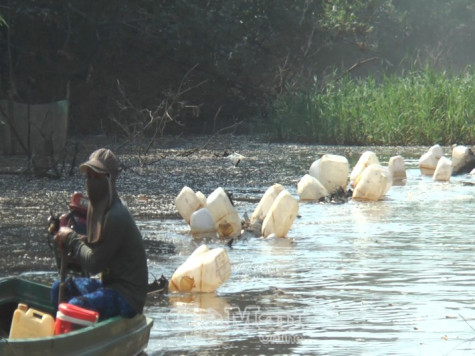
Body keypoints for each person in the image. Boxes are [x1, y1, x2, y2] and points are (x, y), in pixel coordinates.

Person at [52, 148, 148, 319]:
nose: (91, 182)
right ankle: (55, 335)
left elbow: (94, 264)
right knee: (59, 287)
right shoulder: (99, 209)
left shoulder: (116, 216)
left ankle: (72, 339)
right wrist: (66, 242)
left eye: (97, 177)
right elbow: (95, 246)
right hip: (110, 286)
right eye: (88, 177)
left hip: (127, 296)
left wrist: (72, 239)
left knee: (74, 306)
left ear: (110, 178)